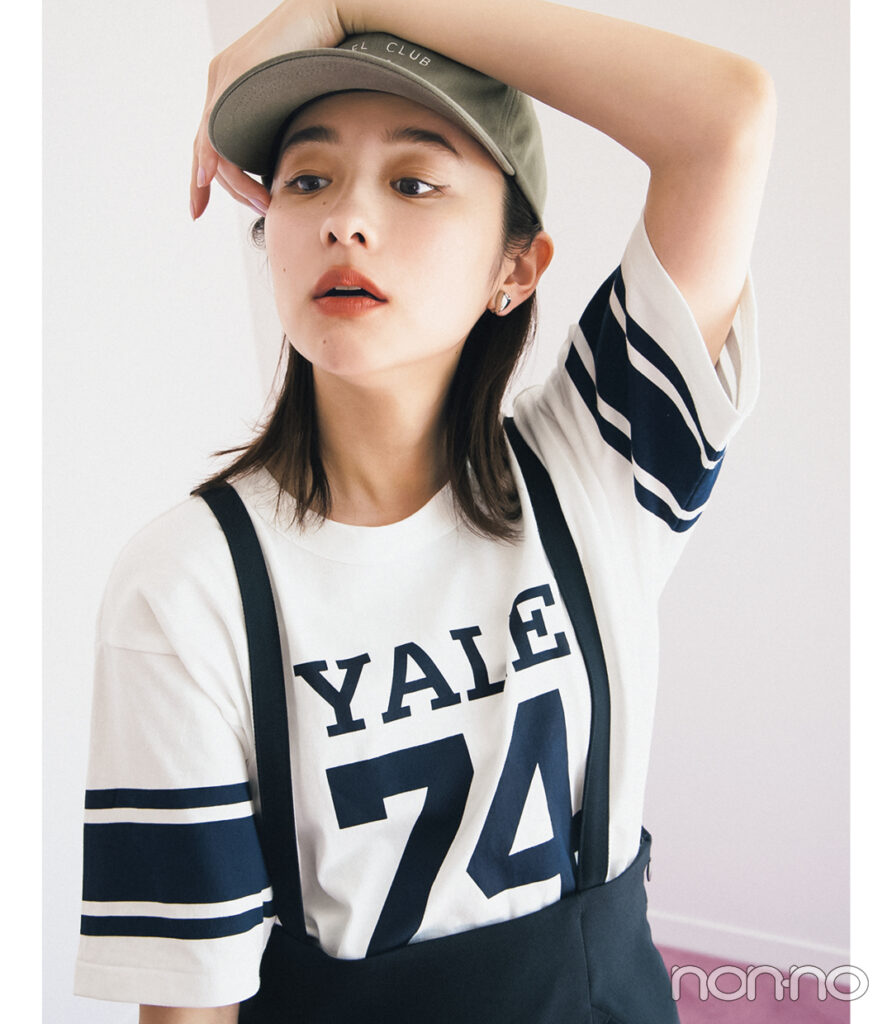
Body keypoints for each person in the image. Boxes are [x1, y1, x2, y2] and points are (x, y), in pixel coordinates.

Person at [74, 0, 775, 1021]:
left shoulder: (596, 461)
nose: (345, 221)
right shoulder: (186, 583)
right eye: (307, 180)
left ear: (514, 270)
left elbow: (725, 118)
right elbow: (192, 999)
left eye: (413, 182)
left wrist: (342, 6)